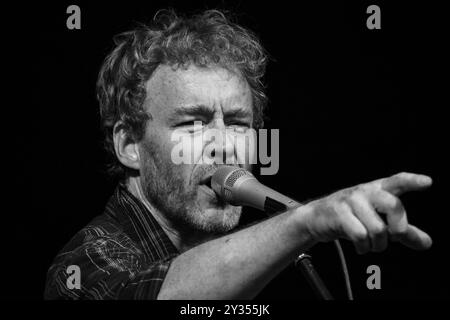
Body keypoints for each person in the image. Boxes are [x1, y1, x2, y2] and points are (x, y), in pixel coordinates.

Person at [44, 9, 433, 300]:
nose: (224, 144)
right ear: (130, 146)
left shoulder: (262, 262)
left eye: (237, 123)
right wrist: (305, 222)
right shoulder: (86, 261)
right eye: (191, 124)